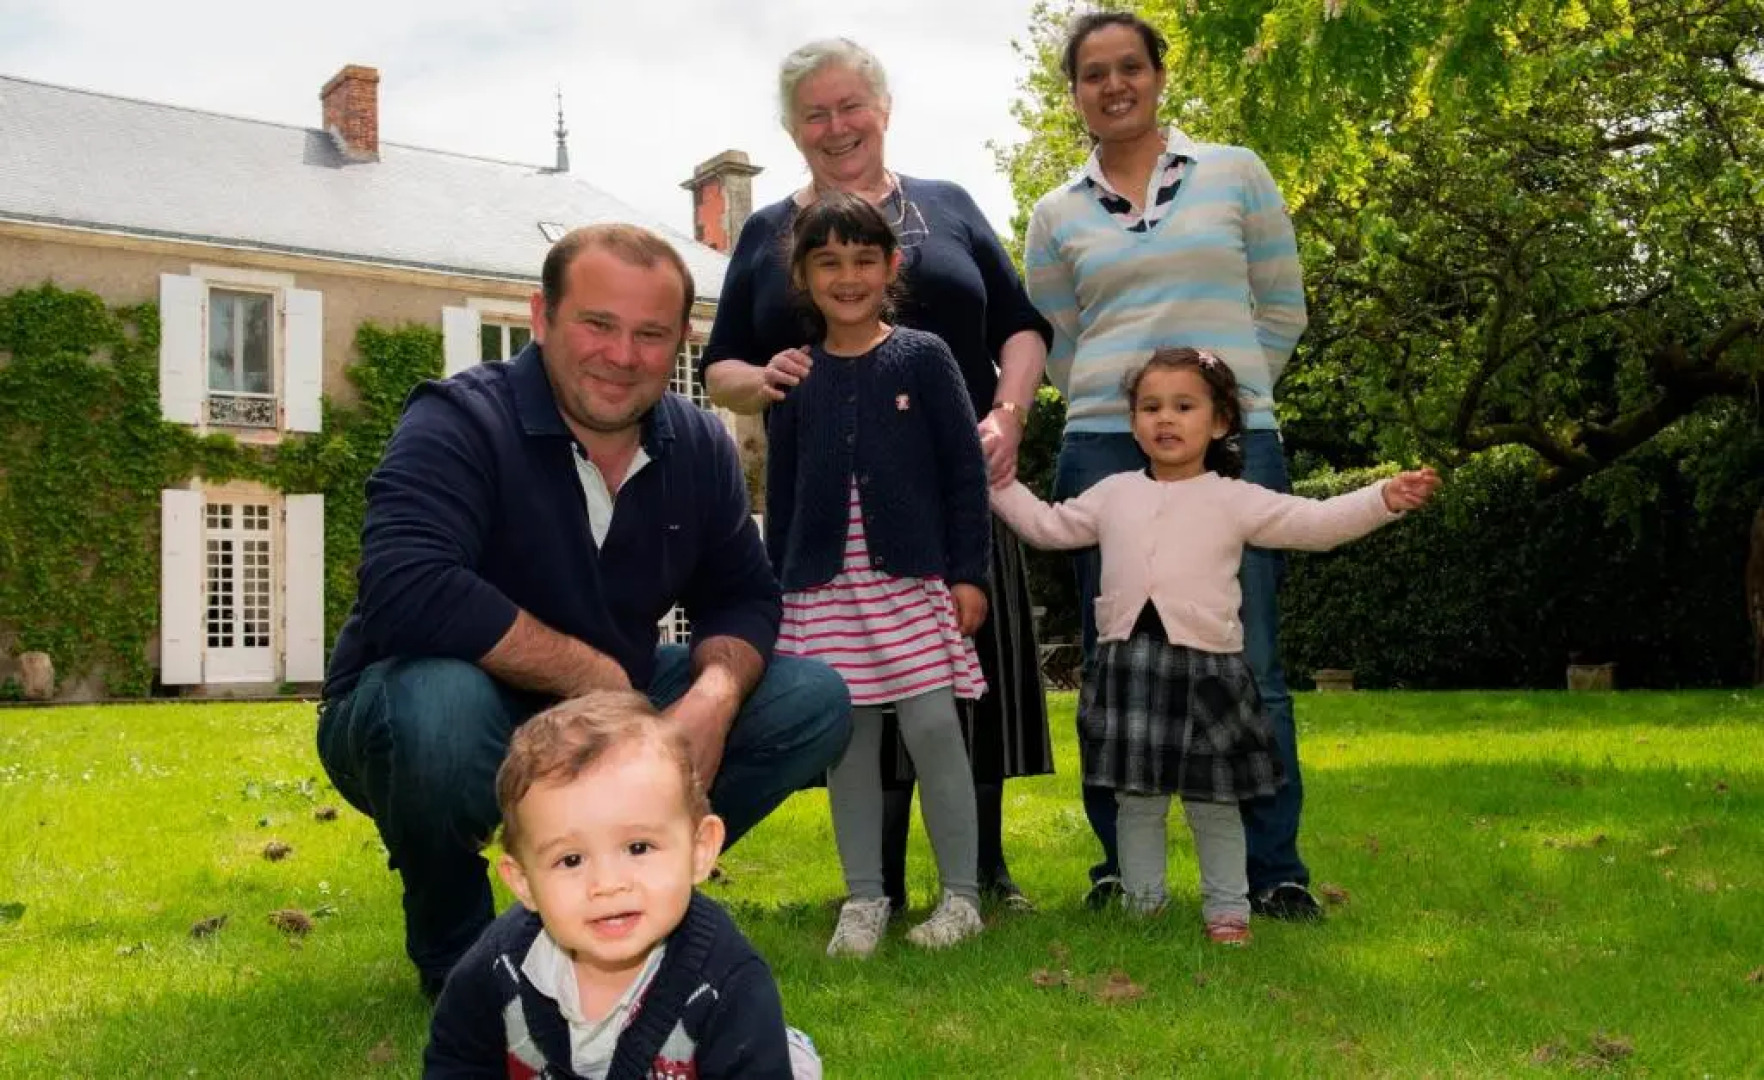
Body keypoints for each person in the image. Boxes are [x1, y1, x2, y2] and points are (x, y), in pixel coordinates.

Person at [317, 223, 852, 997]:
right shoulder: (461, 418)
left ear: (681, 345)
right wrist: (596, 676)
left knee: (813, 700)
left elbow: (741, 595)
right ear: (542, 318)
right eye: (597, 324)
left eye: (649, 335)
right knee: (439, 710)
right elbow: (407, 582)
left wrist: (711, 700)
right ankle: (460, 953)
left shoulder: (699, 445)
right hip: (419, 700)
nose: (622, 355)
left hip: (612, 710)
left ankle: (593, 917)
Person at [703, 37, 1054, 914]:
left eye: (850, 106)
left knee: (965, 685)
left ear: (883, 110)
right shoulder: (766, 233)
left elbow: (1020, 326)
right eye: (814, 114)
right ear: (791, 129)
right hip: (833, 508)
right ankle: (881, 884)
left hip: (960, 485)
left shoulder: (949, 206)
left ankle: (982, 876)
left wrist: (1007, 414)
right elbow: (720, 371)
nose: (836, 126)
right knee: (859, 688)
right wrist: (767, 378)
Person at [1024, 11, 1321, 917]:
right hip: (1105, 450)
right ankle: (1123, 871)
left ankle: (1273, 877)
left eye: (1130, 68)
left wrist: (1219, 402)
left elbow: (1280, 308)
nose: (1113, 86)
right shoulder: (1055, 213)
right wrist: (1124, 403)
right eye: (1092, 74)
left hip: (1236, 446)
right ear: (1073, 92)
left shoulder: (1234, 173)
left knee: (1251, 666)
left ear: (1158, 75)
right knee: (1117, 669)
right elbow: (1061, 337)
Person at [992, 349, 1440, 942]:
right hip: (1130, 667)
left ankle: (1228, 910)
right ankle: (1143, 904)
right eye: (1150, 408)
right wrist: (996, 483)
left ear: (1221, 421)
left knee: (1215, 802)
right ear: (1132, 423)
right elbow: (1048, 528)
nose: (1165, 419)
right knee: (1137, 799)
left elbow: (1315, 523)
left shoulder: (1235, 498)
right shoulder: (1112, 494)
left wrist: (1382, 498)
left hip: (1211, 672)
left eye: (1184, 406)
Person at [766, 193, 992, 956]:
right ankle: (865, 898)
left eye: (864, 259)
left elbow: (965, 473)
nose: (848, 275)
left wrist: (970, 574)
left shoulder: (923, 358)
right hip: (823, 591)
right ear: (803, 275)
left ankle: (961, 897)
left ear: (890, 266)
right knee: (847, 745)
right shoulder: (796, 378)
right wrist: (776, 594)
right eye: (828, 261)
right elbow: (784, 494)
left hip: (912, 584)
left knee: (934, 729)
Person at [424, 693, 823, 1078]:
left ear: (699, 850)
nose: (608, 884)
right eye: (571, 860)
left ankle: (793, 1053)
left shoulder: (726, 983)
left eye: (638, 847)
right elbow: (456, 1061)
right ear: (524, 882)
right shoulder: (500, 966)